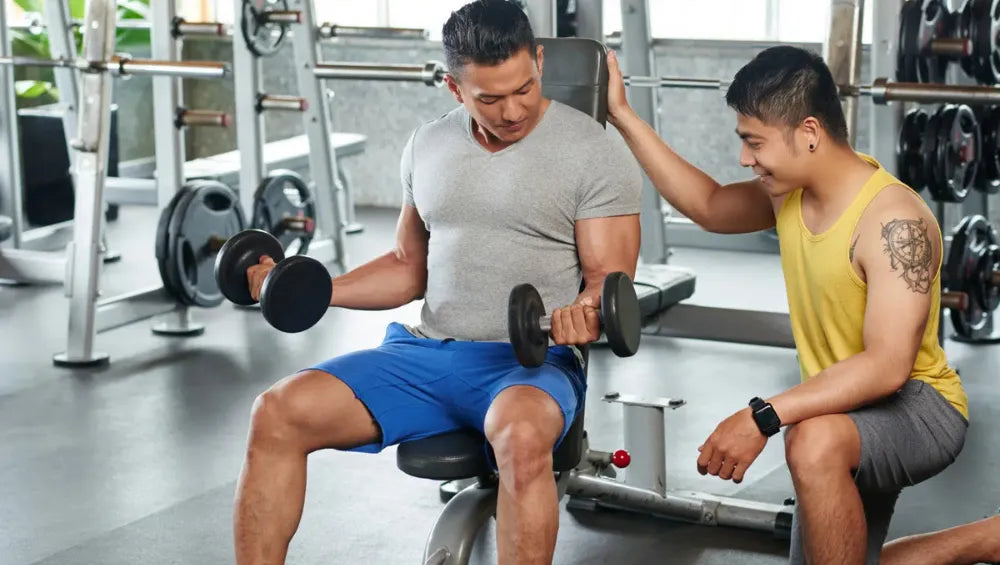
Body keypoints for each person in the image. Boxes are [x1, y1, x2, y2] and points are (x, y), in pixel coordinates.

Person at [231, 1, 642, 564]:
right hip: (424, 355)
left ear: (539, 60)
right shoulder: (428, 144)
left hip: (529, 366)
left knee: (520, 440)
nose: (513, 110)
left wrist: (585, 310)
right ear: (454, 87)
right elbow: (408, 266)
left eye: (523, 88)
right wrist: (310, 287)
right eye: (490, 98)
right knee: (275, 412)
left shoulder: (593, 151)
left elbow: (609, 284)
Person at [604, 44, 968, 565]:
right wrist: (622, 115)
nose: (744, 159)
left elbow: (888, 367)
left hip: (918, 406)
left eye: (755, 142)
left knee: (810, 440)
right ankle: (983, 541)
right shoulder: (788, 193)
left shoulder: (894, 221)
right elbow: (708, 206)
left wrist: (762, 417)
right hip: (841, 408)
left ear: (810, 133)